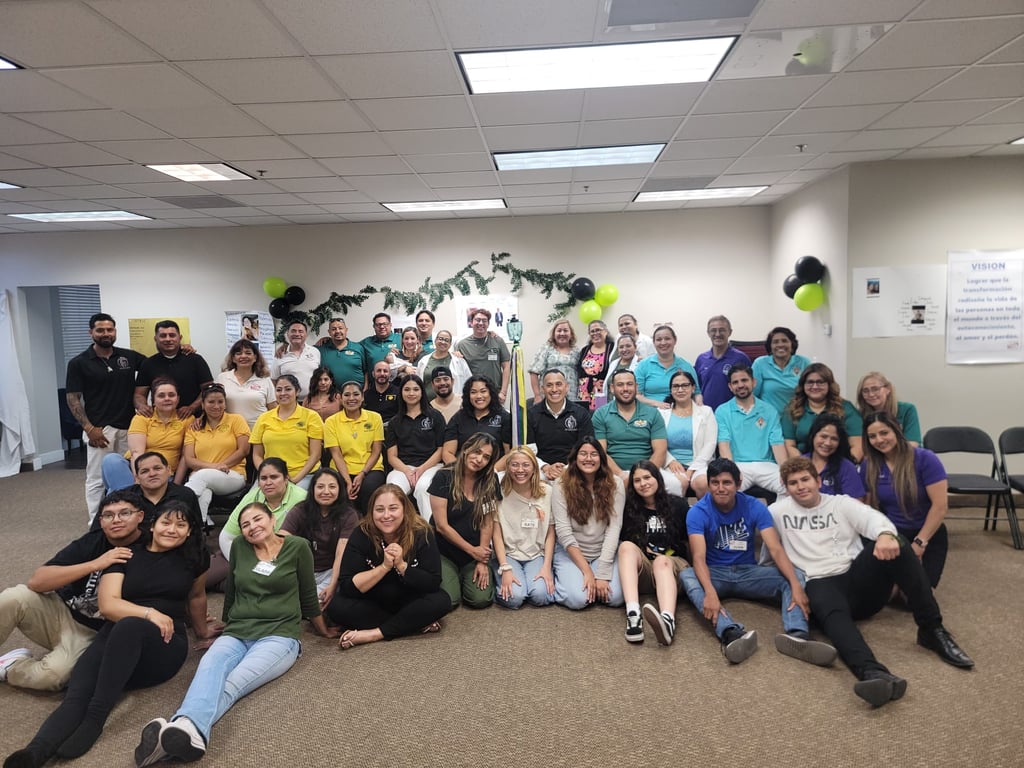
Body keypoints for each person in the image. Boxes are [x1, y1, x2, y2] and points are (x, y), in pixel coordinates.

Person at [4, 500, 216, 767]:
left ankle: (96, 717)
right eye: (166, 522)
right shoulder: (124, 555)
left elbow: (197, 596)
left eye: (180, 525)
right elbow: (108, 604)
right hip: (118, 640)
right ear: (152, 525)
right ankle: (35, 752)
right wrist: (150, 613)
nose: (171, 529)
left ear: (188, 532)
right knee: (76, 694)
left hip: (164, 645)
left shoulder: (194, 558)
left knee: (129, 625)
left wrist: (202, 630)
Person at [133, 501, 336, 766]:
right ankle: (186, 733)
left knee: (232, 684)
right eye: (245, 525)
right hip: (238, 630)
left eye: (257, 520)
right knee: (208, 668)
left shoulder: (298, 547)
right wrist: (224, 628)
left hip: (278, 635)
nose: (252, 527)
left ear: (273, 519)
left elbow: (308, 594)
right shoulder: (240, 547)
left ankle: (181, 727)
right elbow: (232, 592)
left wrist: (322, 629)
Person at [769, 457, 973, 707]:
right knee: (836, 622)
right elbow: (770, 552)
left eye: (805, 479)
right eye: (793, 483)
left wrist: (886, 536)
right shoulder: (777, 512)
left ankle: (931, 629)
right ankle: (873, 673)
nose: (800, 486)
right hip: (818, 581)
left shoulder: (841, 504)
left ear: (818, 481)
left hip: (856, 579)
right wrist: (792, 588)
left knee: (898, 543)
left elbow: (876, 520)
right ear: (785, 487)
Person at [680, 458, 836, 666]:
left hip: (749, 573)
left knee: (794, 575)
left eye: (727, 483)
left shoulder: (754, 506)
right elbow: (698, 557)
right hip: (715, 573)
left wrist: (796, 586)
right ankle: (731, 633)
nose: (720, 488)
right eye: (715, 483)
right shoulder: (697, 512)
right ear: (708, 485)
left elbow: (775, 548)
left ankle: (797, 636)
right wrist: (709, 592)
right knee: (687, 575)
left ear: (738, 483)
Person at [0, 491, 145, 693]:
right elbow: (37, 581)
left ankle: (9, 667)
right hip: (59, 611)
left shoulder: (150, 547)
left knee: (54, 676)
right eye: (108, 515)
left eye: (125, 513)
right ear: (100, 521)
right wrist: (95, 563)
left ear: (140, 516)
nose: (116, 520)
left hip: (95, 633)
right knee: (12, 597)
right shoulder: (93, 541)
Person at [327, 485, 449, 647]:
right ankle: (413, 623)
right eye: (379, 510)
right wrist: (384, 567)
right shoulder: (361, 533)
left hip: (409, 597)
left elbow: (433, 582)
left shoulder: (421, 531)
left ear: (404, 509)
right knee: (336, 607)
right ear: (371, 512)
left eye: (393, 508)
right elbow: (348, 585)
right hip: (374, 599)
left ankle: (375, 633)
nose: (386, 516)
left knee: (441, 601)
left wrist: (402, 565)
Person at [65, 313, 145, 522]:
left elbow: (155, 366)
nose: (106, 334)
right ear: (91, 332)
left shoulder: (128, 357)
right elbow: (73, 398)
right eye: (100, 330)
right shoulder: (79, 363)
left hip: (129, 427)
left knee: (129, 476)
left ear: (115, 332)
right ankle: (95, 522)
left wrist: (184, 349)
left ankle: (128, 518)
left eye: (110, 329)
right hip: (100, 430)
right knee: (97, 479)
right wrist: (89, 428)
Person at [862, 412, 949, 588]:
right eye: (872, 436)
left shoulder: (925, 459)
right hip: (893, 532)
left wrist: (919, 543)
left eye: (884, 433)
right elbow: (869, 508)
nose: (879, 440)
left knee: (915, 597)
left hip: (927, 532)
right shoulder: (869, 464)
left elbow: (940, 507)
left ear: (897, 430)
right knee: (883, 594)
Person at [618, 461, 689, 645]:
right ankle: (633, 614)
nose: (643, 483)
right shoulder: (630, 509)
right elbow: (630, 542)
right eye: (637, 480)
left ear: (657, 478)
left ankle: (667, 620)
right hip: (647, 569)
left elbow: (689, 541)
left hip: (674, 566)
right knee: (625, 546)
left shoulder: (679, 505)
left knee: (662, 561)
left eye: (647, 477)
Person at [551, 437, 625, 610]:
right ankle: (565, 577)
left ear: (601, 458)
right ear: (575, 458)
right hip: (571, 552)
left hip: (603, 551)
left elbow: (614, 528)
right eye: (583, 454)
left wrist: (603, 572)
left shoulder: (616, 483)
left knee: (615, 598)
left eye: (594, 454)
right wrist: (587, 572)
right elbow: (563, 532)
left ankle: (584, 577)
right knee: (579, 600)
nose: (588, 458)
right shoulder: (561, 484)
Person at [427, 433, 500, 610]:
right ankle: (451, 575)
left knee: (480, 600)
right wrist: (472, 551)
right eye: (476, 452)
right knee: (449, 601)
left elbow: (488, 521)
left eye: (486, 457)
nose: (479, 459)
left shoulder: (490, 480)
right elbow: (441, 526)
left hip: (474, 552)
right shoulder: (443, 477)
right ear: (466, 449)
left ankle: (462, 576)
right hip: (444, 550)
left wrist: (482, 559)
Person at [280, 467, 358, 608]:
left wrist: (333, 585)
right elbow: (281, 540)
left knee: (323, 602)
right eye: (320, 486)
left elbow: (341, 554)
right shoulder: (300, 509)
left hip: (331, 571)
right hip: (301, 570)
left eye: (332, 487)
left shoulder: (349, 515)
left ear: (340, 490)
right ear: (313, 489)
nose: (326, 492)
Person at [592, 369, 678, 493]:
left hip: (648, 470)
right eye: (620, 385)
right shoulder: (600, 414)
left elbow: (660, 450)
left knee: (676, 485)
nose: (625, 388)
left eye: (630, 384)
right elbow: (600, 452)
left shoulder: (653, 413)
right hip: (613, 472)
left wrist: (645, 476)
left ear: (636, 387)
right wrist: (621, 475)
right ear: (612, 388)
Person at [492, 447, 556, 609]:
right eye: (514, 465)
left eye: (526, 465)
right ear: (507, 467)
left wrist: (546, 567)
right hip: (508, 554)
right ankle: (501, 581)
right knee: (514, 598)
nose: (520, 470)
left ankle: (528, 583)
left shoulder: (547, 492)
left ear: (534, 467)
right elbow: (496, 534)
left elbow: (550, 532)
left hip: (536, 554)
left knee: (542, 596)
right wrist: (505, 568)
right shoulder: (499, 492)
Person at [100, 377, 188, 492]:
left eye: (171, 395)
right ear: (153, 400)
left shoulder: (187, 419)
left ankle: (126, 499)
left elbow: (186, 456)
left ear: (178, 399)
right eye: (161, 396)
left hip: (163, 474)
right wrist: (138, 479)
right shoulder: (142, 418)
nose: (167, 399)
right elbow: (136, 452)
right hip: (135, 470)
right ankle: (129, 498)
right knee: (111, 460)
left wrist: (176, 486)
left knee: (117, 490)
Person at [182, 383, 250, 526]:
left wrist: (222, 466)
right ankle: (202, 524)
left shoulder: (236, 420)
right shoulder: (194, 427)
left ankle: (178, 509)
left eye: (220, 402)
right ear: (202, 404)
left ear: (225, 403)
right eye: (211, 402)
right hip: (203, 477)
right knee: (204, 491)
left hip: (232, 475)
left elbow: (244, 450)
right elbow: (189, 459)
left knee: (201, 476)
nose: (216, 406)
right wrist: (216, 466)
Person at [715, 364, 788, 496]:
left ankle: (773, 517)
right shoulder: (722, 411)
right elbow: (724, 444)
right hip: (738, 465)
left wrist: (785, 471)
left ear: (754, 382)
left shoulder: (769, 410)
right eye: (735, 382)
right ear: (730, 387)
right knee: (726, 490)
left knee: (789, 485)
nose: (740, 385)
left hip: (766, 465)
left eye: (744, 380)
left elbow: (777, 444)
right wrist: (732, 471)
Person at [384, 374, 445, 516]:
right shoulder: (394, 422)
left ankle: (429, 531)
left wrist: (421, 469)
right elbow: (392, 457)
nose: (411, 393)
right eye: (407, 389)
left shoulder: (435, 416)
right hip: (403, 467)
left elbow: (441, 450)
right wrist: (407, 471)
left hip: (431, 466)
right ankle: (398, 531)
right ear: (401, 393)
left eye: (416, 389)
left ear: (422, 392)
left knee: (423, 487)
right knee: (393, 490)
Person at [250, 374, 324, 491]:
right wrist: (267, 475)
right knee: (249, 506)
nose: (283, 393)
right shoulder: (264, 418)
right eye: (279, 390)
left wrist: (294, 480)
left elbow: (316, 455)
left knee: (291, 506)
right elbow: (257, 455)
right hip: (271, 476)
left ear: (297, 391)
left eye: (288, 389)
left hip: (303, 476)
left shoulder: (311, 417)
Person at [324, 381, 386, 514]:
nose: (351, 398)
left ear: (362, 397)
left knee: (368, 487)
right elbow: (336, 454)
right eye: (347, 395)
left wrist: (362, 474)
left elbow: (376, 451)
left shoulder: (375, 418)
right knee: (339, 488)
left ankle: (370, 526)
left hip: (370, 468)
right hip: (341, 469)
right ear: (340, 398)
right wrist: (347, 480)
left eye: (356, 394)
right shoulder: (331, 422)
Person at [782, 363, 863, 462]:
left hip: (839, 465)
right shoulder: (792, 409)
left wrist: (844, 468)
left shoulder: (846, 408)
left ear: (829, 385)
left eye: (820, 382)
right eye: (810, 382)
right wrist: (806, 469)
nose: (815, 386)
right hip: (803, 466)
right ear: (803, 385)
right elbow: (789, 445)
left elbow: (857, 445)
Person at [134, 320, 213, 420]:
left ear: (180, 338)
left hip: (194, 420)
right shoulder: (148, 364)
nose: (168, 339)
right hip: (160, 422)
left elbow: (209, 389)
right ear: (155, 339)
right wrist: (142, 406)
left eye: (172, 335)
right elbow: (139, 394)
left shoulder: (196, 360)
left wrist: (191, 408)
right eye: (163, 336)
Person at [527, 369, 594, 482]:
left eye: (559, 384)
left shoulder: (581, 414)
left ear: (566, 387)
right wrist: (545, 467)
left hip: (574, 468)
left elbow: (586, 448)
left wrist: (567, 468)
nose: (554, 389)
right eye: (549, 385)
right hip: (540, 469)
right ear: (543, 389)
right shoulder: (531, 414)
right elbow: (529, 450)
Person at [661, 370, 717, 499]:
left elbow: (710, 443)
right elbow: (657, 442)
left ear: (692, 388)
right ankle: (676, 518)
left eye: (685, 385)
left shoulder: (706, 412)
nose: (680, 390)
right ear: (671, 390)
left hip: (699, 464)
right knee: (676, 483)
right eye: (676, 386)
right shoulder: (662, 413)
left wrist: (692, 469)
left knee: (703, 483)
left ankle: (702, 518)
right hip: (670, 465)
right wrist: (670, 461)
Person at [441, 375, 512, 467]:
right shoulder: (458, 418)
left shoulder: (504, 417)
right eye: (473, 392)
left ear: (491, 393)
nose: (479, 396)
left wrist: (491, 473)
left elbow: (509, 453)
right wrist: (461, 472)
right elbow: (447, 453)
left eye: (483, 391)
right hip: (461, 470)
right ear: (468, 395)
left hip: (494, 471)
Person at [120, 452, 201, 528]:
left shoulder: (185, 495)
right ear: (137, 477)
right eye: (145, 471)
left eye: (157, 468)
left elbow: (196, 529)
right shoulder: (125, 497)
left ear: (168, 470)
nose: (152, 474)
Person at [633, 325, 701, 409]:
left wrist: (700, 408)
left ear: (675, 340)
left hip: (680, 412)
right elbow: (636, 395)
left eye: (667, 338)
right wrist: (657, 404)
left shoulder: (686, 366)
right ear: (653, 342)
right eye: (659, 339)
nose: (663, 343)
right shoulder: (643, 365)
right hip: (651, 413)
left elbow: (697, 393)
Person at [695, 315, 751, 412]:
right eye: (713, 330)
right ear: (708, 333)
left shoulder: (741, 358)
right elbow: (696, 389)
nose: (717, 334)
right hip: (706, 414)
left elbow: (749, 388)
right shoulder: (701, 359)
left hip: (733, 414)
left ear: (730, 332)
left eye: (722, 330)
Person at [215, 339, 275, 429]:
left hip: (259, 431)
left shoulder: (265, 380)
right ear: (233, 358)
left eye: (248, 353)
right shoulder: (222, 378)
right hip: (230, 431)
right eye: (238, 353)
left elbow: (273, 409)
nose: (243, 356)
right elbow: (213, 404)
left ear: (255, 358)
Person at [455, 309, 510, 406]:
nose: (481, 323)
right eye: (477, 320)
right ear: (471, 323)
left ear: (488, 324)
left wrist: (503, 392)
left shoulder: (497, 341)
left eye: (484, 320)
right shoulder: (463, 345)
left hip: (495, 394)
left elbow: (506, 366)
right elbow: (458, 369)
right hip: (473, 396)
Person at [804, 413, 866, 500]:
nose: (827, 443)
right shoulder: (799, 464)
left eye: (834, 439)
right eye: (823, 436)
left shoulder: (846, 467)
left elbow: (856, 505)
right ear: (813, 436)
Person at [751, 326, 811, 415]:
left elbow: (812, 390)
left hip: (798, 416)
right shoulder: (760, 363)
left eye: (784, 341)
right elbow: (752, 395)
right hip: (769, 418)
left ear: (792, 344)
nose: (780, 345)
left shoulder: (804, 362)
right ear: (770, 346)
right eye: (775, 342)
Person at [856, 371, 922, 445]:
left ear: (888, 389)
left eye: (875, 389)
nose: (871, 394)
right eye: (865, 391)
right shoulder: (858, 415)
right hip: (875, 455)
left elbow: (913, 444)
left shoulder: (907, 409)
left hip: (908, 455)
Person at [528, 319, 580, 404]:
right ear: (554, 334)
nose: (562, 333)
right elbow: (534, 372)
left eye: (565, 330)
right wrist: (537, 395)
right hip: (550, 395)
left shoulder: (577, 351)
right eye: (559, 331)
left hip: (571, 397)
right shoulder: (546, 349)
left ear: (571, 334)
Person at [270, 320, 320, 400]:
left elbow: (320, 375)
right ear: (288, 334)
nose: (297, 334)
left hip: (312, 401)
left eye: (300, 331)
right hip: (288, 401)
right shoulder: (280, 354)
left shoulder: (315, 352)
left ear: (306, 335)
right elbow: (274, 380)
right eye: (293, 331)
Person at [416, 330, 471, 401]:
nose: (443, 342)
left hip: (453, 405)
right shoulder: (423, 361)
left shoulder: (459, 361)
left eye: (446, 340)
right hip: (428, 405)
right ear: (435, 340)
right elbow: (417, 383)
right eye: (440, 339)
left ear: (450, 344)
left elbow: (469, 384)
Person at [316, 317, 366, 392]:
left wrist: (365, 388)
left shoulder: (358, 348)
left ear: (346, 330)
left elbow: (366, 371)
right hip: (330, 396)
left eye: (340, 328)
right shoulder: (320, 349)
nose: (337, 331)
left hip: (355, 395)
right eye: (333, 329)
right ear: (329, 332)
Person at [576, 319, 614, 409]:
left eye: (598, 330)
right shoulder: (585, 350)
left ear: (605, 331)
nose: (595, 333)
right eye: (592, 331)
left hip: (601, 393)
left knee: (600, 416)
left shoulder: (612, 348)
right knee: (584, 418)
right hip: (584, 392)